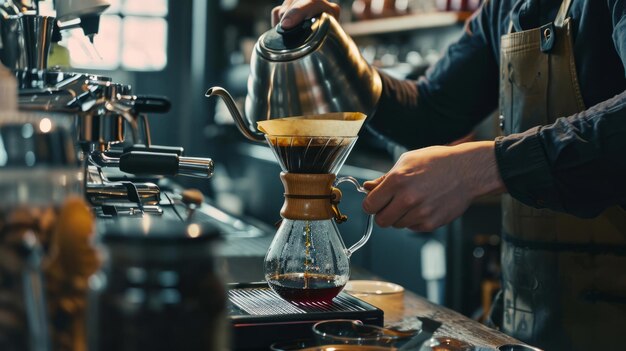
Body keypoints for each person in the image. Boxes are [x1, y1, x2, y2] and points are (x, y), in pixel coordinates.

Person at [272, 1, 626, 350]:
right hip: (526, 321)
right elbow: (431, 110)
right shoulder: (505, 8)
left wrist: (484, 166)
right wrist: (336, 52)